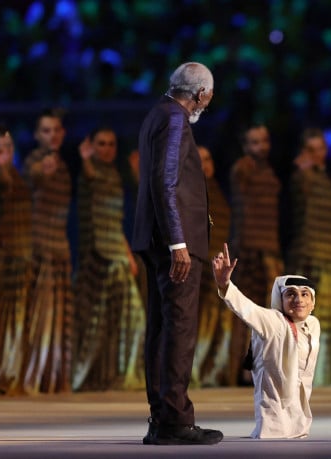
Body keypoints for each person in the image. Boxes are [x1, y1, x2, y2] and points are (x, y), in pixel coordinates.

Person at [131, 62, 223, 445]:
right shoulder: (174, 119)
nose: (209, 102)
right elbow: (164, 182)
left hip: (157, 240)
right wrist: (178, 242)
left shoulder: (159, 113)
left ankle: (162, 418)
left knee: (163, 328)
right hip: (173, 244)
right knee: (179, 329)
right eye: (209, 97)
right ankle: (175, 420)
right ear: (200, 94)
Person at [212, 243, 319, 439]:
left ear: (312, 302)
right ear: (280, 299)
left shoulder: (313, 324)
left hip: (299, 395)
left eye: (305, 294)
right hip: (273, 392)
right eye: (291, 294)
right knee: (273, 433)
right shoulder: (273, 320)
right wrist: (225, 285)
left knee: (297, 429)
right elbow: (246, 308)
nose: (299, 300)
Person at [72, 127, 145, 391]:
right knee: (95, 323)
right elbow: (90, 177)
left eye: (111, 144)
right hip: (98, 258)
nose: (106, 149)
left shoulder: (115, 175)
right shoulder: (90, 173)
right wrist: (85, 159)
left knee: (132, 319)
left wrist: (127, 254)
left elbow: (115, 221)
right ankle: (87, 376)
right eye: (100, 144)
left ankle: (120, 374)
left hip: (117, 254)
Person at [20, 108, 73, 394]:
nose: (52, 135)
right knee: (41, 316)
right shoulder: (36, 161)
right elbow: (33, 175)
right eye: (46, 131)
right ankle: (35, 377)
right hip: (40, 248)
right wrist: (43, 171)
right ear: (36, 135)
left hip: (60, 249)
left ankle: (52, 378)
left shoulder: (62, 164)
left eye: (56, 130)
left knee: (57, 319)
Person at [0, 127, 33, 395]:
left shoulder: (15, 175)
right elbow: (1, 185)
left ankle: (10, 371)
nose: (6, 153)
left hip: (20, 254)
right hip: (1, 253)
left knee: (14, 319)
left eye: (9, 147)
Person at [228, 124, 283, 385]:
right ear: (245, 146)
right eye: (254, 142)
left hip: (268, 249)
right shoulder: (244, 168)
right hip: (250, 251)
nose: (261, 147)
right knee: (249, 315)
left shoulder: (267, 170)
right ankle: (244, 369)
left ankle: (260, 367)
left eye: (264, 141)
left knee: (267, 316)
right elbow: (241, 209)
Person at [287, 128, 331, 387]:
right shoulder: (302, 177)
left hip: (327, 254)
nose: (317, 154)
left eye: (320, 148)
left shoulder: (326, 179)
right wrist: (302, 171)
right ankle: (304, 372)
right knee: (304, 317)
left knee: (328, 317)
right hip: (308, 254)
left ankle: (326, 373)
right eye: (311, 149)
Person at [192, 145, 232, 387]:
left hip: (217, 264)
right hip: (199, 263)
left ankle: (210, 373)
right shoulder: (190, 191)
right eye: (198, 159)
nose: (204, 163)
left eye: (208, 158)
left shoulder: (216, 190)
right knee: (198, 321)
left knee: (216, 321)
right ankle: (193, 373)